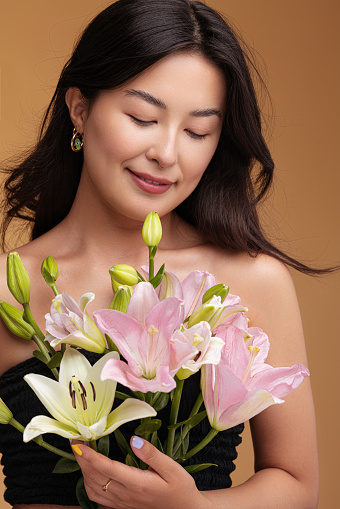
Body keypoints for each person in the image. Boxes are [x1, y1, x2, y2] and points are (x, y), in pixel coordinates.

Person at [0, 0, 321, 507]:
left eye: (197, 131)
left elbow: (297, 484)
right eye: (143, 117)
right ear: (79, 107)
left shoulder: (251, 281)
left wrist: (193, 507)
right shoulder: (8, 291)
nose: (167, 154)